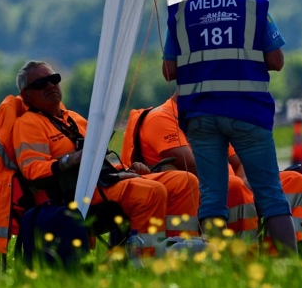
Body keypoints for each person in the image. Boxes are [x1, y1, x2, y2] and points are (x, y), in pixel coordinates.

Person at [162, 0, 297, 254]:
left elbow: (168, 70)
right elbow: (277, 61)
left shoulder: (181, 15)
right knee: (271, 195)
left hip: (200, 115)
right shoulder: (254, 10)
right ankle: (291, 265)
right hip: (248, 113)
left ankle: (218, 266)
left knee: (211, 195)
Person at [12, 61, 200, 254]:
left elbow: (100, 163)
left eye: (54, 79)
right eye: (40, 83)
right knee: (152, 191)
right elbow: (32, 171)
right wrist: (71, 160)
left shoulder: (75, 119)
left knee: (184, 181)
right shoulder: (28, 124)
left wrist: (127, 170)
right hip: (73, 196)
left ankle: (180, 250)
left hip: (104, 183)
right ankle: (146, 261)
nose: (50, 85)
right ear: (26, 94)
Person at [120, 93, 302, 246]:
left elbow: (240, 162)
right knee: (232, 185)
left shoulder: (212, 115)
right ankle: (241, 259)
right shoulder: (161, 117)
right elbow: (195, 165)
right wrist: (239, 185)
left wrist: (246, 183)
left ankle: (283, 256)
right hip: (194, 194)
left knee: (294, 180)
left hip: (228, 186)